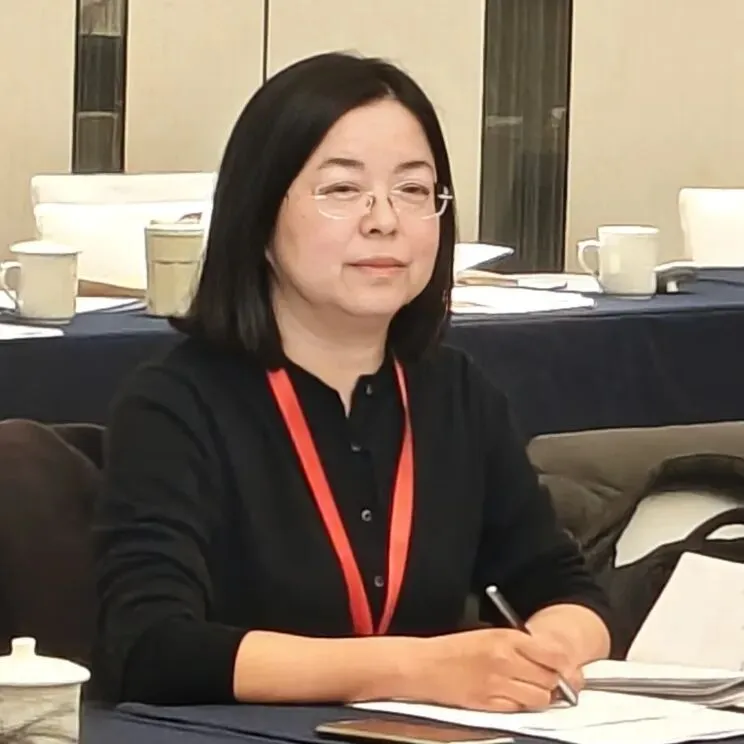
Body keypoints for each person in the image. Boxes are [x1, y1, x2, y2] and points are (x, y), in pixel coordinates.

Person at [93, 51, 611, 711]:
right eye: (342, 190)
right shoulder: (176, 404)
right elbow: (149, 647)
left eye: (413, 190)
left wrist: (550, 649)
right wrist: (414, 668)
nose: (384, 219)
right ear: (258, 215)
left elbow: (565, 590)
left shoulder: (454, 393)